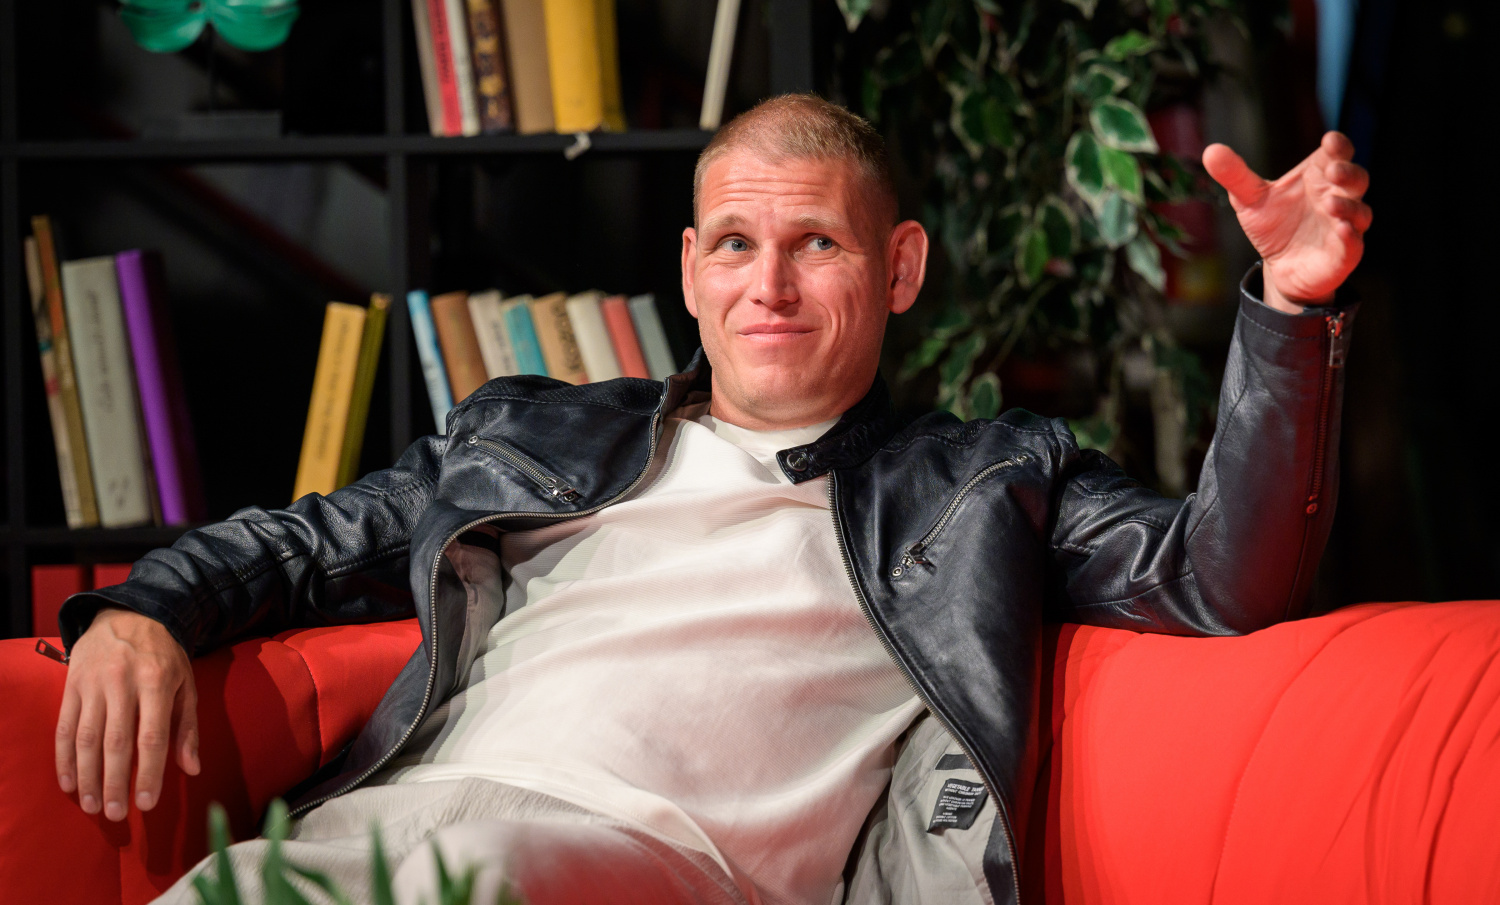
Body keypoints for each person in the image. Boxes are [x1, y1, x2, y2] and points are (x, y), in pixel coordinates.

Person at [53, 94, 1371, 905]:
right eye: (736, 244)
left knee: (473, 876)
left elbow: (1224, 578)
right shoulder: (533, 433)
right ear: (690, 270)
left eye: (817, 244)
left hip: (659, 867)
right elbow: (308, 543)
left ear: (900, 268)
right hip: (403, 827)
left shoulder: (983, 483)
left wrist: (1288, 310)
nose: (768, 287)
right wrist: (146, 611)